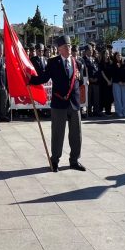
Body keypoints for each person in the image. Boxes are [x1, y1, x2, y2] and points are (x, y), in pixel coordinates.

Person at [28, 35, 84, 172]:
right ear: (59, 49)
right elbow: (44, 78)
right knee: (58, 133)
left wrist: (80, 78)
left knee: (76, 134)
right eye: (65, 46)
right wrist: (30, 79)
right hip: (59, 103)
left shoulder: (77, 63)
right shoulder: (53, 62)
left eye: (69, 46)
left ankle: (74, 160)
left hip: (74, 103)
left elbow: (80, 81)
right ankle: (55, 160)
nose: (69, 48)